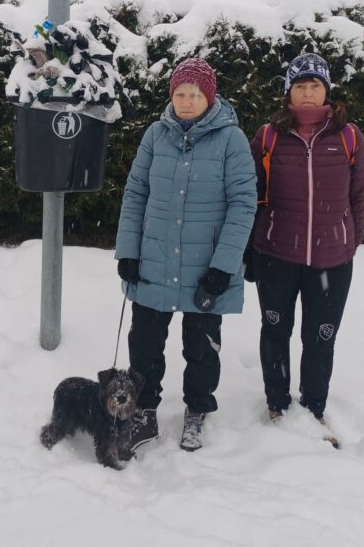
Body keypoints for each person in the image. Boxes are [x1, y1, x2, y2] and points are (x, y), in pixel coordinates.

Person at [115, 57, 257, 452]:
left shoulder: (232, 140)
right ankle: (143, 410)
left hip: (205, 266)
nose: (187, 100)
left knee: (201, 348)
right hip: (154, 261)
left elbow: (244, 204)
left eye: (195, 93)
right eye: (180, 93)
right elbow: (135, 193)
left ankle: (197, 410)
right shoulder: (154, 136)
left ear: (209, 97)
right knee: (144, 344)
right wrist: (128, 251)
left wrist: (223, 267)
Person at [245, 53, 364, 448]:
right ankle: (278, 404)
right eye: (301, 85)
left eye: (316, 85)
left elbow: (359, 196)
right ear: (289, 93)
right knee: (276, 331)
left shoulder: (349, 137)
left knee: (321, 338)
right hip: (277, 255)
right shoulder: (268, 136)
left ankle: (313, 407)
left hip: (333, 259)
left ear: (327, 91)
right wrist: (251, 245)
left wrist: (349, 241)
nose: (309, 92)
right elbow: (251, 194)